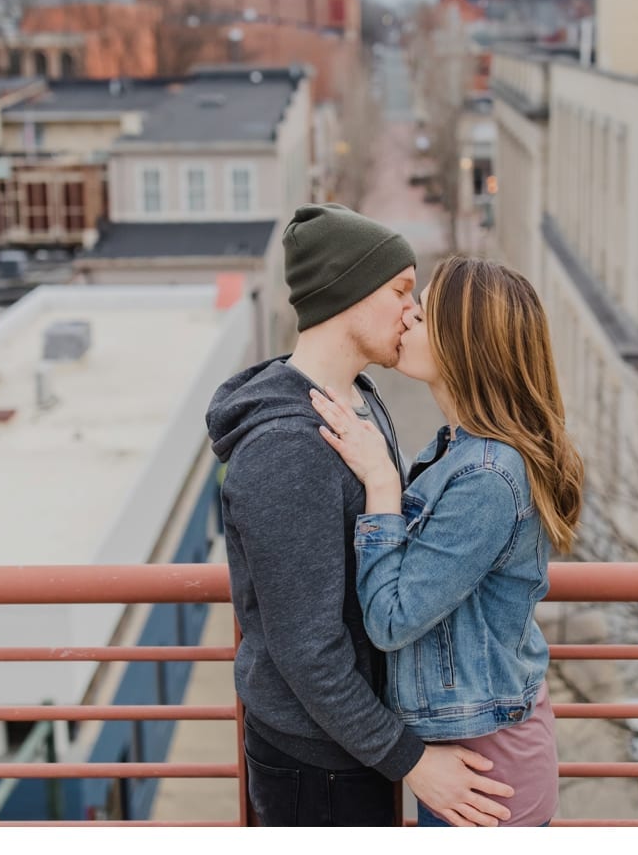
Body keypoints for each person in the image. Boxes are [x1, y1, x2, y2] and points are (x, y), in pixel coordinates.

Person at [206, 204, 515, 827]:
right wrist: (411, 761)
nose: (413, 310)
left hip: (357, 740)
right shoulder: (286, 448)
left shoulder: (361, 402)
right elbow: (307, 649)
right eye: (401, 290)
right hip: (315, 762)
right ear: (349, 294)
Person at [308, 255, 585, 827]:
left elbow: (392, 620)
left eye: (425, 311)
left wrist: (382, 483)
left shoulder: (487, 476)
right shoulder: (455, 450)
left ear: (465, 344)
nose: (407, 317)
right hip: (469, 750)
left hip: (488, 770)